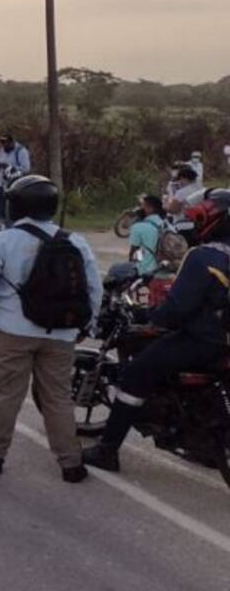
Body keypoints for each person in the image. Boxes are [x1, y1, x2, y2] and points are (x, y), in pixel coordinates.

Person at [0, 175, 101, 483]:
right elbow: (93, 289)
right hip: (62, 333)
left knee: (6, 396)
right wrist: (86, 325)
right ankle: (71, 464)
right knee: (58, 397)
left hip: (12, 331)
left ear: (17, 205)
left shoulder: (3, 241)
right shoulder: (76, 242)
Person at [85, 190, 230, 474]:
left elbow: (176, 310)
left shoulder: (203, 257)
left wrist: (150, 317)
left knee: (135, 373)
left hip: (204, 342)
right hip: (221, 342)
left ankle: (107, 451)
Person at [0, 133, 31, 235]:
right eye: (2, 142)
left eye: (5, 143)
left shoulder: (21, 151)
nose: (3, 145)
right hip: (1, 182)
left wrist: (9, 166)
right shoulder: (3, 150)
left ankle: (9, 229)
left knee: (9, 207)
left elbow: (26, 169)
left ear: (12, 142)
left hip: (14, 184)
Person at [127, 194, 166, 277]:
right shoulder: (167, 224)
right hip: (165, 270)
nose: (139, 208)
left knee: (115, 269)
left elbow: (135, 252)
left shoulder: (138, 227)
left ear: (150, 209)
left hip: (145, 271)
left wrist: (139, 262)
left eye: (142, 206)